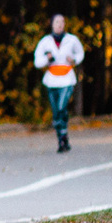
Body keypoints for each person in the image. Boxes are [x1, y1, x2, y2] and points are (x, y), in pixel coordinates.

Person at [34, 16, 85, 151]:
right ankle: (62, 138)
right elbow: (37, 61)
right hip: (52, 80)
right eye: (57, 22)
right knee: (56, 111)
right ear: (52, 24)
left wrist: (73, 59)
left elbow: (80, 54)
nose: (59, 25)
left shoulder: (72, 40)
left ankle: (63, 136)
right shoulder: (45, 41)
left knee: (62, 107)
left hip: (67, 79)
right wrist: (47, 58)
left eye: (62, 22)